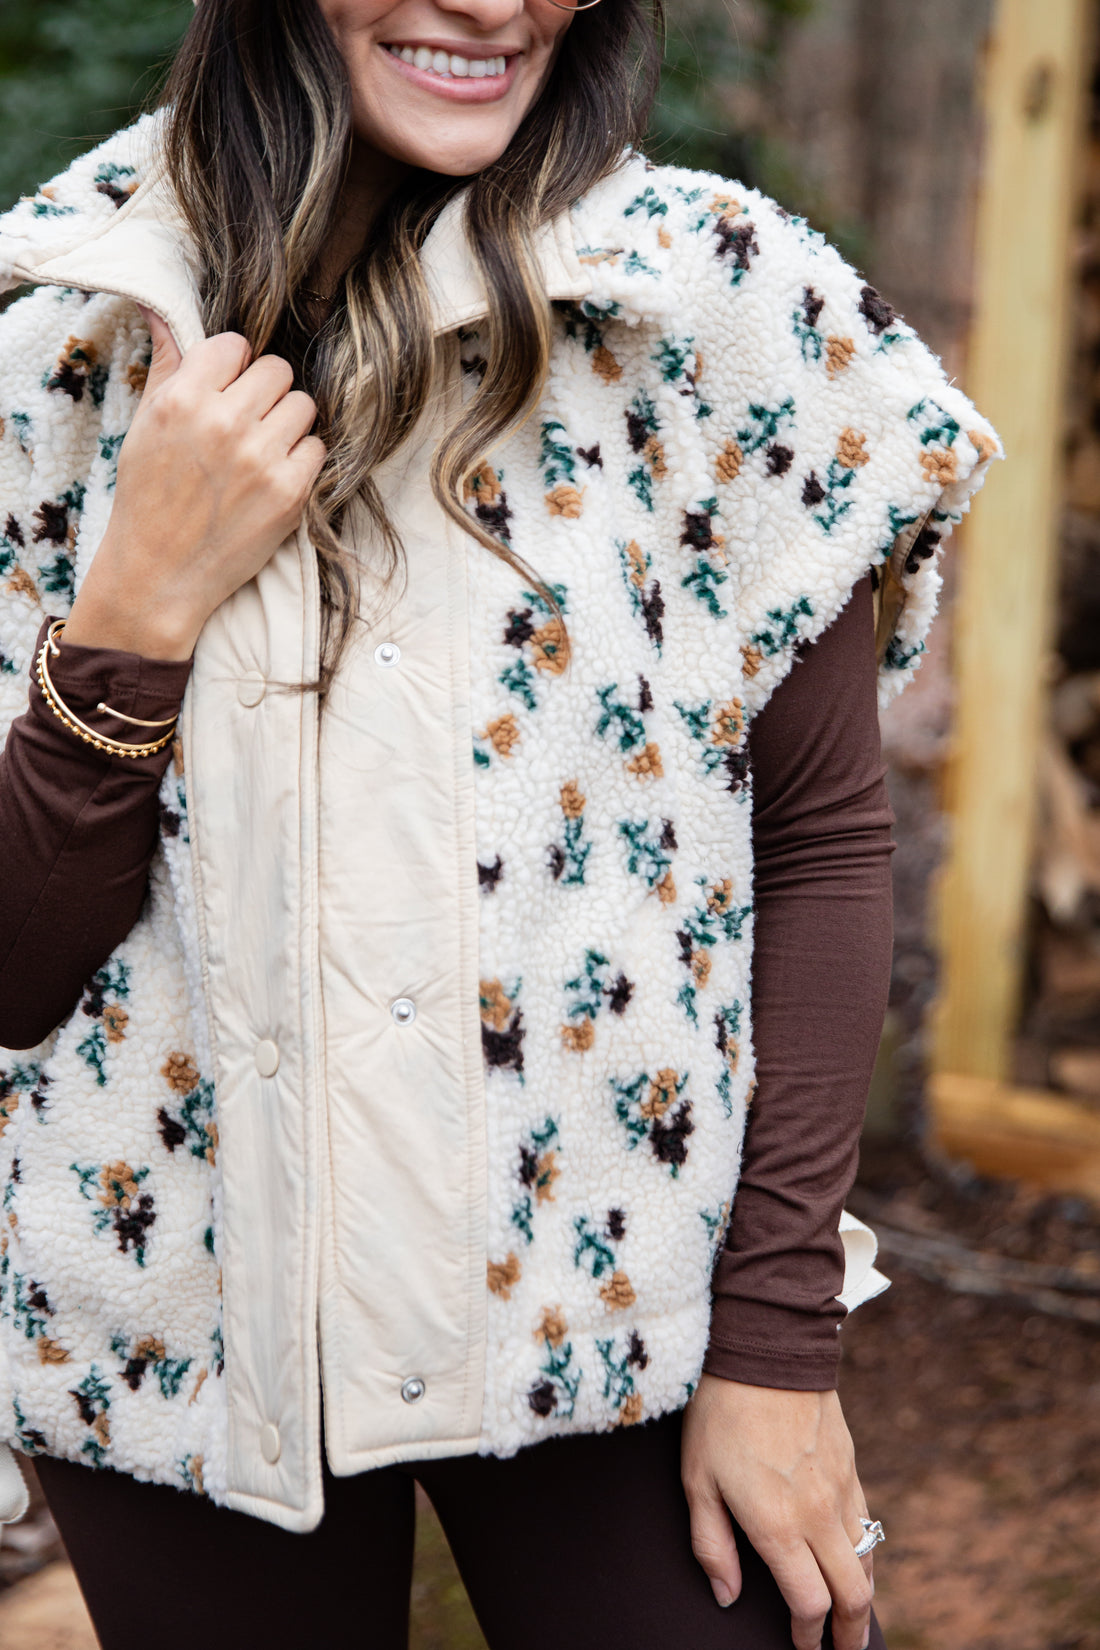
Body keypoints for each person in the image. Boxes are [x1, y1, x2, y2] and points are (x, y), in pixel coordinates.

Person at [0, 0, 998, 1645]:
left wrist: (775, 1343)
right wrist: (134, 606)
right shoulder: (60, 348)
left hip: (614, 1311)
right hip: (181, 1343)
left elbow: (817, 841)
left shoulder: (717, 313)